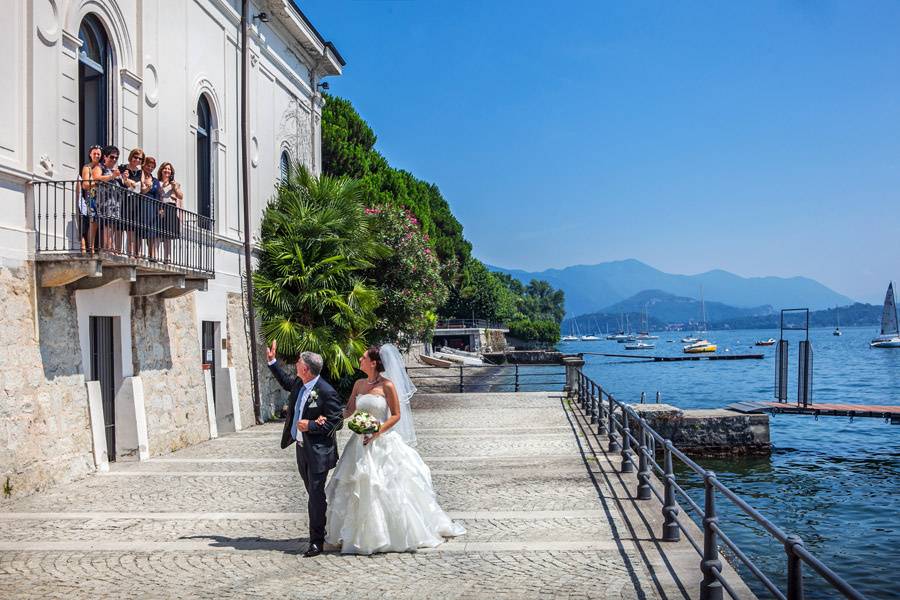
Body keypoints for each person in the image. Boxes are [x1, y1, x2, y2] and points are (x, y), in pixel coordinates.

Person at [322, 346, 465, 555]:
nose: (359, 360)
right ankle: (355, 534)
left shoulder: (387, 385)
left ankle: (390, 534)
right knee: (356, 486)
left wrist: (377, 431)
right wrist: (328, 418)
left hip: (381, 440)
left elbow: (396, 415)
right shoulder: (359, 384)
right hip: (359, 442)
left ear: (373, 362)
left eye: (363, 357)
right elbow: (349, 411)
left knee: (385, 486)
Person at [266, 341, 343, 558]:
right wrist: (272, 361)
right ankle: (325, 526)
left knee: (315, 496)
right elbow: (286, 382)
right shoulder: (300, 385)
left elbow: (337, 422)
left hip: (319, 452)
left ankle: (316, 541)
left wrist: (310, 425)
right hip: (301, 448)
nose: (296, 364)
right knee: (313, 493)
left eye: (299, 362)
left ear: (306, 369)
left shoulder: (327, 392)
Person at [92, 145, 122, 252]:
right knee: (107, 227)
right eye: (111, 157)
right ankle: (107, 250)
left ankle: (110, 249)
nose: (114, 159)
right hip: (104, 202)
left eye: (116, 158)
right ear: (105, 157)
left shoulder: (113, 170)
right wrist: (112, 176)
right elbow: (96, 178)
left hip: (115, 203)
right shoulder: (99, 167)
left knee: (112, 227)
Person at [117, 148, 144, 256]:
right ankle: (118, 252)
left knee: (131, 228)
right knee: (119, 226)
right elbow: (121, 181)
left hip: (134, 201)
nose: (137, 160)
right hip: (122, 199)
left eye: (140, 158)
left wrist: (128, 181)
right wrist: (131, 183)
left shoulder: (140, 171)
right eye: (135, 157)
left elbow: (140, 187)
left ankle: (130, 253)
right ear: (131, 156)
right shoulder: (122, 167)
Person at [156, 162, 183, 264]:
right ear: (161, 170)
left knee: (168, 235)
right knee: (158, 234)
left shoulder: (174, 184)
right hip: (160, 208)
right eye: (165, 168)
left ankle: (168, 258)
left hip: (171, 208)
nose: (167, 170)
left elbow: (180, 196)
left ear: (171, 172)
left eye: (169, 169)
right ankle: (156, 257)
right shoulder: (157, 183)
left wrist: (175, 188)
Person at [79, 145, 102, 254]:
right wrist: (97, 182)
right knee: (93, 221)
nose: (96, 155)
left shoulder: (102, 167)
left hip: (103, 197)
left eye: (98, 154)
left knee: (99, 222)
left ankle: (97, 246)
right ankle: (91, 247)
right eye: (94, 153)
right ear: (90, 154)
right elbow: (85, 185)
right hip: (92, 196)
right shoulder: (87, 167)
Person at [140, 156, 160, 260]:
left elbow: (158, 195)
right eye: (148, 165)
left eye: (152, 167)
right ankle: (138, 253)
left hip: (153, 207)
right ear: (144, 165)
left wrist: (160, 208)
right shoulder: (140, 176)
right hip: (141, 205)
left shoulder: (155, 180)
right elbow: (140, 189)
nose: (150, 168)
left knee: (152, 232)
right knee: (140, 231)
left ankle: (152, 255)